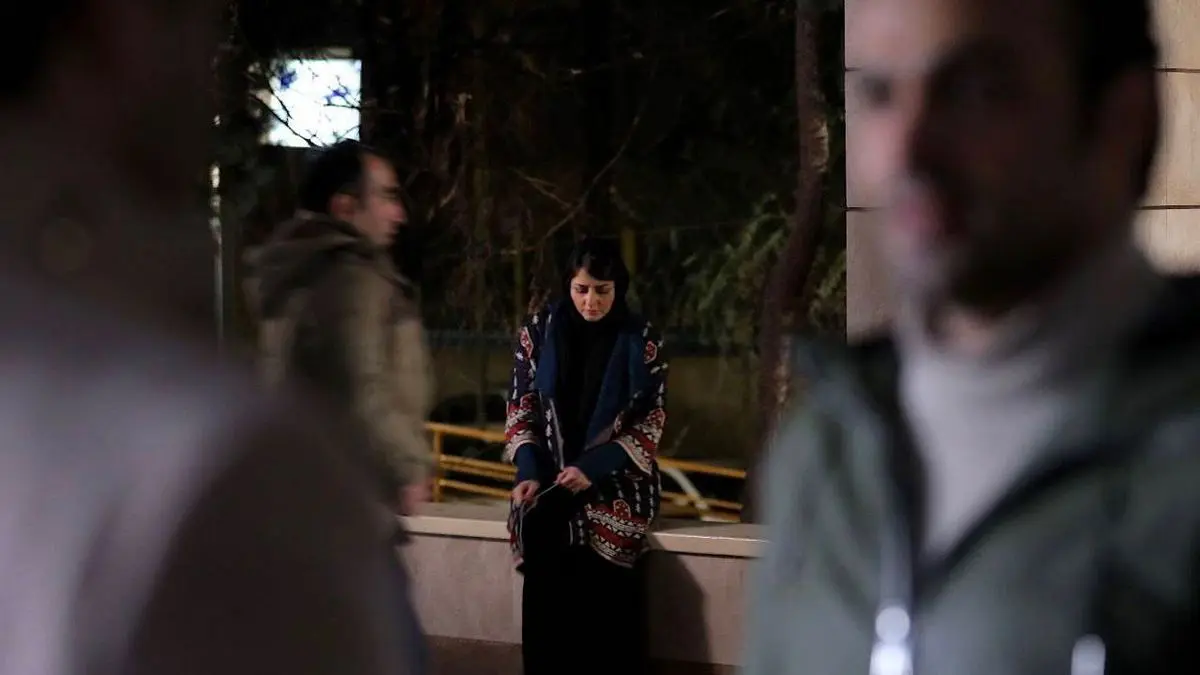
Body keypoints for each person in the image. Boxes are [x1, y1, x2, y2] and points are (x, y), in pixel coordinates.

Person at [744, 0, 1200, 673]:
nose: (907, 148)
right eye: (878, 92)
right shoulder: (824, 455)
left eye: (978, 92)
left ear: (1122, 122)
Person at [0, 1, 421, 674]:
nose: (211, 68)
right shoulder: (214, 476)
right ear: (111, 28)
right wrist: (400, 465)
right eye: (193, 18)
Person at [504, 237, 668, 675]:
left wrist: (593, 467)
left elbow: (650, 421)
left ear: (618, 289)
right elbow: (522, 407)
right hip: (551, 472)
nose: (591, 302)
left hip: (618, 477)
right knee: (539, 521)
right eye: (581, 290)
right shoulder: (538, 333)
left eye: (602, 290)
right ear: (568, 286)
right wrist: (530, 470)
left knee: (600, 541)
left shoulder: (642, 340)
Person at [247, 139, 434, 516]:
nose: (398, 214)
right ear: (345, 207)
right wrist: (408, 465)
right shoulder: (351, 278)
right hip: (350, 493)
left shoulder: (297, 271)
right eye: (387, 197)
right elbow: (360, 379)